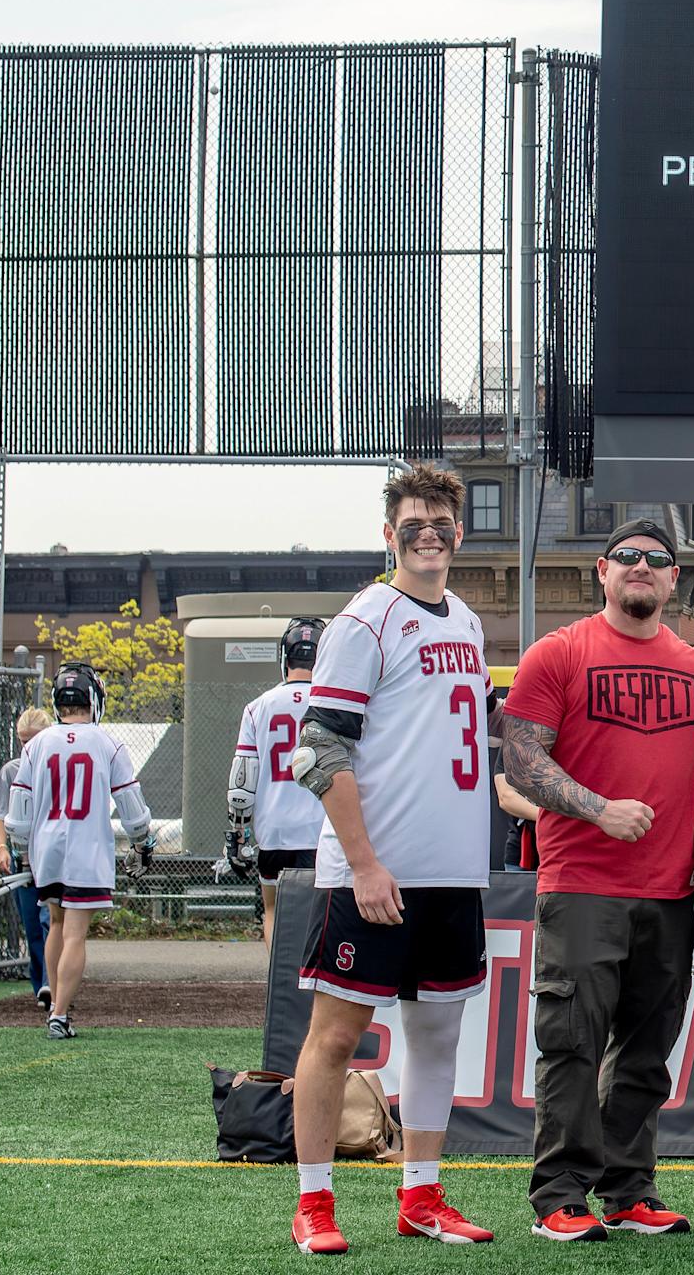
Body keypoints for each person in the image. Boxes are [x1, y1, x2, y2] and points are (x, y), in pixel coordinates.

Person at [285, 462, 496, 1255]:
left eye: (441, 523)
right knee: (336, 1039)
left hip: (450, 872)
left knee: (436, 1037)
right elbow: (317, 749)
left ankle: (421, 1196)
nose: (429, 535)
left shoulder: (468, 621)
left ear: (459, 532)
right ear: (389, 534)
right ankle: (313, 1203)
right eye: (414, 524)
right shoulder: (365, 620)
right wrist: (365, 862)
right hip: (375, 871)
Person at [501, 516, 694, 1242]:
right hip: (581, 884)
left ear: (674, 579)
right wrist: (598, 809)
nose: (641, 567)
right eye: (627, 557)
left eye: (656, 560)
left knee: (645, 1051)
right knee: (571, 1042)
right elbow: (520, 759)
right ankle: (560, 1197)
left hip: (671, 893)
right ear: (602, 570)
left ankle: (630, 1189)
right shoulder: (558, 653)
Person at [4, 663, 154, 1039]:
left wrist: (22, 846)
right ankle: (59, 1014)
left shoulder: (37, 744)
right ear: (94, 699)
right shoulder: (107, 742)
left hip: (48, 846)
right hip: (86, 847)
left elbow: (18, 812)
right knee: (75, 933)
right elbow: (132, 806)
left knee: (55, 923)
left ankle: (55, 1005)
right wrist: (141, 842)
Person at [227, 617, 326, 943]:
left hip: (274, 830)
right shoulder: (332, 703)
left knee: (273, 911)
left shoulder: (258, 707)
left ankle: (279, 984)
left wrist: (238, 835)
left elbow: (243, 781)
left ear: (284, 658)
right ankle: (310, 988)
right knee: (319, 915)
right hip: (321, 829)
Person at [0, 705, 55, 1009]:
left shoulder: (56, 767)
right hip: (23, 855)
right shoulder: (12, 770)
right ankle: (40, 984)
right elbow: (2, 814)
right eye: (23, 741)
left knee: (49, 918)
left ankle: (52, 983)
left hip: (52, 854)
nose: (28, 747)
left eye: (34, 739)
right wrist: (3, 848)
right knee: (32, 925)